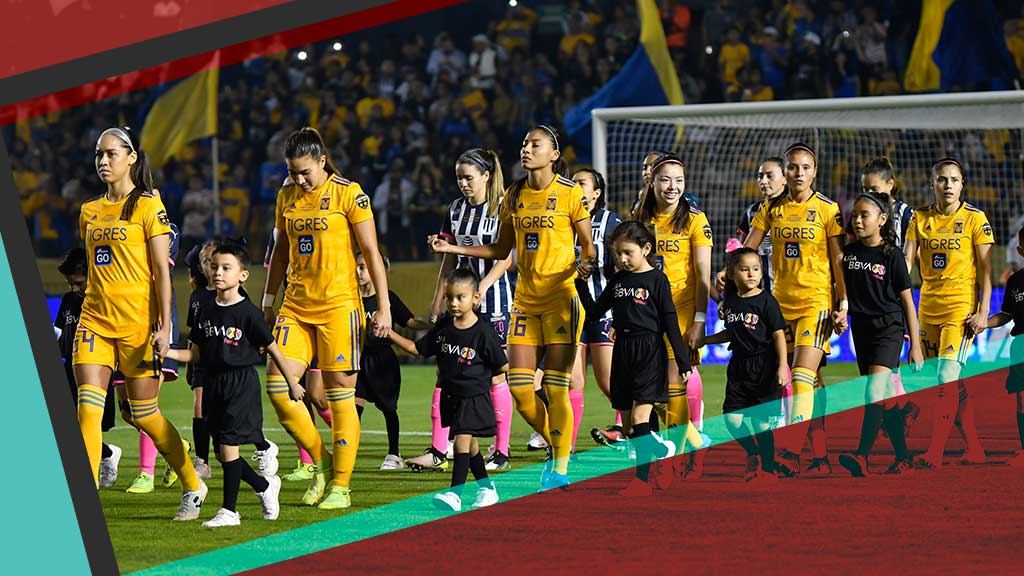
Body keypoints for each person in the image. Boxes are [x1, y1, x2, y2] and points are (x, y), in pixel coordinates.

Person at [429, 125, 596, 489]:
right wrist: (453, 249)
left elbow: (589, 244)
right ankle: (558, 445)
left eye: (535, 144)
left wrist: (586, 263)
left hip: (561, 302)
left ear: (553, 155)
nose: (526, 148)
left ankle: (561, 468)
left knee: (554, 388)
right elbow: (499, 251)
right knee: (521, 391)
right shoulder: (513, 195)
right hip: (525, 302)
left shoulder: (569, 194)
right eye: (524, 143)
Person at [75, 126, 206, 520]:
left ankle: (191, 482)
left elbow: (162, 272)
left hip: (138, 325)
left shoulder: (149, 205)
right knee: (87, 410)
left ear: (131, 157)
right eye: (99, 154)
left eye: (111, 154)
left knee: (145, 414)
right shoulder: (89, 211)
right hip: (94, 321)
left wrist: (165, 326)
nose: (103, 161)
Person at [263, 127, 392, 510]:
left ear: (322, 161)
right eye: (292, 172)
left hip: (340, 308)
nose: (299, 180)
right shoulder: (286, 196)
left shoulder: (350, 194)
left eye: (306, 172)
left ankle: (341, 486)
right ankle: (321, 460)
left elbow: (370, 251)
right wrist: (268, 300)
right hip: (296, 307)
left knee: (340, 401)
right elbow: (280, 253)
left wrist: (383, 306)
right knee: (278, 388)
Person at [718, 143, 848, 477]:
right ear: (785, 172)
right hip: (778, 305)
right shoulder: (771, 208)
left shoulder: (828, 209)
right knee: (811, 382)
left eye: (805, 168)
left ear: (815, 171)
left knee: (801, 376)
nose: (799, 173)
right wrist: (729, 272)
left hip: (815, 303)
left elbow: (837, 259)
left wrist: (842, 303)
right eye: (793, 167)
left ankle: (790, 451)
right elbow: (748, 248)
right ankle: (818, 455)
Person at [163, 243, 301, 527]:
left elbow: (274, 349)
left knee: (228, 447)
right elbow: (198, 352)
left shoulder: (248, 313)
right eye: (214, 267)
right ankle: (264, 487)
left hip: (240, 383)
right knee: (223, 453)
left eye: (226, 268)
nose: (218, 273)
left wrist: (292, 383)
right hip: (213, 383)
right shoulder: (205, 308)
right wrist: (169, 353)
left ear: (243, 275)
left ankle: (230, 511)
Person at [414, 148, 515, 473]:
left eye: (468, 177)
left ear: (486, 176)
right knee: (446, 373)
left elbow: (506, 256)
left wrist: (484, 286)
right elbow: (447, 258)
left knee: (496, 376)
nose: (463, 184)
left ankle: (500, 450)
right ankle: (438, 449)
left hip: (494, 301)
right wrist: (436, 299)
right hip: (458, 303)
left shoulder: (502, 207)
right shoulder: (455, 210)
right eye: (459, 177)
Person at [574, 222, 690, 496]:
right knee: (628, 427)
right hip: (622, 351)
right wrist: (579, 283)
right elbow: (594, 312)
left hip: (649, 351)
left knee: (640, 419)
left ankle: (642, 478)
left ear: (646, 249)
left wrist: (682, 360)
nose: (622, 259)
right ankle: (657, 450)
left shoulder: (657, 280)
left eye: (628, 252)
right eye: (617, 255)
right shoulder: (618, 280)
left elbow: (670, 321)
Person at [390, 267, 505, 511]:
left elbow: (502, 365)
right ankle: (487, 488)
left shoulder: (483, 332)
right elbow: (418, 349)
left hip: (474, 397)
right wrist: (389, 334)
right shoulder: (444, 327)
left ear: (475, 298)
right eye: (449, 297)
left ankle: (455, 494)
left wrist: (478, 377)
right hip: (452, 396)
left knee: (462, 440)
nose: (453, 303)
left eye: (460, 297)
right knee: (470, 446)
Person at [904, 158, 993, 469]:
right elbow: (907, 266)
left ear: (962, 184)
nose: (948, 185)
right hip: (927, 307)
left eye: (954, 180)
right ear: (933, 184)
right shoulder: (919, 219)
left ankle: (934, 453)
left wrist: (983, 312)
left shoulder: (975, 219)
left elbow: (986, 271)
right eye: (942, 179)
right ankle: (975, 448)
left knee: (946, 379)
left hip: (960, 309)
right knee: (949, 384)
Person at [631, 153, 712, 478]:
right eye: (665, 179)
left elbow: (703, 274)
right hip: (644, 316)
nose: (673, 187)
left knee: (674, 385)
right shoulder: (640, 219)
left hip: (680, 314)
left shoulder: (695, 219)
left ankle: (675, 460)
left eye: (679, 180)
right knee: (650, 391)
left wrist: (699, 320)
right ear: (652, 181)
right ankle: (693, 439)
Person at [836, 193, 924, 477]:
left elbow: (908, 302)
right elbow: (842, 292)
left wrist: (916, 345)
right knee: (886, 397)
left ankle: (862, 456)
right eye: (855, 215)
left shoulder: (892, 254)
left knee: (874, 389)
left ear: (882, 219)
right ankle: (903, 456)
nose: (858, 220)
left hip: (889, 327)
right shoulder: (849, 254)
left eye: (865, 215)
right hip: (861, 330)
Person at [702, 247, 787, 482]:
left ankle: (768, 469)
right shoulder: (730, 302)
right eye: (744, 269)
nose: (751, 274)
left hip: (765, 367)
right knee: (732, 420)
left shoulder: (766, 301)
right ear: (731, 273)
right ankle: (755, 453)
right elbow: (731, 332)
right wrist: (706, 340)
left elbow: (778, 334)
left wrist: (782, 366)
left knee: (761, 423)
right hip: (738, 367)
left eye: (756, 269)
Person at [859, 157, 921, 439]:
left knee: (883, 374)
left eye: (875, 189)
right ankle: (903, 408)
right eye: (866, 189)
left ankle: (901, 409)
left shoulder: (907, 214)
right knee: (881, 375)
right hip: (872, 299)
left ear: (891, 185)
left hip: (894, 295)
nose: (871, 195)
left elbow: (911, 252)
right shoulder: (866, 213)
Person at [354, 251, 427, 469]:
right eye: (355, 266)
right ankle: (347, 449)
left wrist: (433, 325)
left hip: (382, 361)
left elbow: (410, 322)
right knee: (353, 407)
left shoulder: (387, 299)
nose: (357, 272)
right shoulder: (350, 297)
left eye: (363, 267)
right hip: (357, 359)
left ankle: (394, 454)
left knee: (388, 409)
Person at [55, 248, 121, 487]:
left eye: (79, 283)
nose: (75, 288)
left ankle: (100, 461)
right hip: (70, 366)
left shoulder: (105, 300)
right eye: (71, 284)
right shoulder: (69, 300)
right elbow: (60, 331)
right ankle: (106, 455)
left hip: (96, 368)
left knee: (85, 423)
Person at [567, 169, 623, 449]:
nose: (575, 188)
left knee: (607, 382)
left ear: (597, 193)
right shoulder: (564, 219)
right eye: (573, 183)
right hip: (571, 311)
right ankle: (569, 445)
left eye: (581, 184)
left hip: (603, 311)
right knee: (573, 382)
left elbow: (625, 263)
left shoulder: (611, 222)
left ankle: (632, 427)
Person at [985, 226, 1024, 467]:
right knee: (1021, 399)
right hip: (1020, 344)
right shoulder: (1015, 281)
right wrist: (983, 323)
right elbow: (1006, 315)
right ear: (1020, 250)